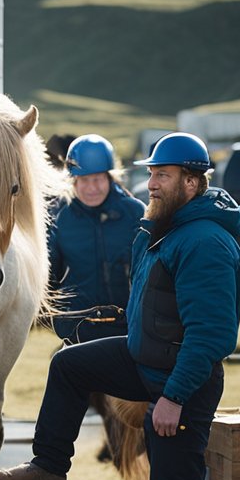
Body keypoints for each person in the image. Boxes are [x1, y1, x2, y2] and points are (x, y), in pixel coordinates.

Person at [0, 133, 240, 480]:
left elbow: (212, 334)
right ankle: (48, 472)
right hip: (144, 361)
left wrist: (171, 398)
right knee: (68, 367)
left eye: (162, 175)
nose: (149, 183)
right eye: (150, 174)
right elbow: (152, 307)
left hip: (181, 384)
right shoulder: (164, 231)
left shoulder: (206, 242)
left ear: (192, 182)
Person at [49, 134, 146, 343]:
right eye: (84, 180)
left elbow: (150, 273)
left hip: (128, 331)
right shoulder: (59, 216)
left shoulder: (135, 212)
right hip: (77, 330)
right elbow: (49, 277)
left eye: (98, 179)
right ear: (72, 179)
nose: (92, 188)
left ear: (110, 177)